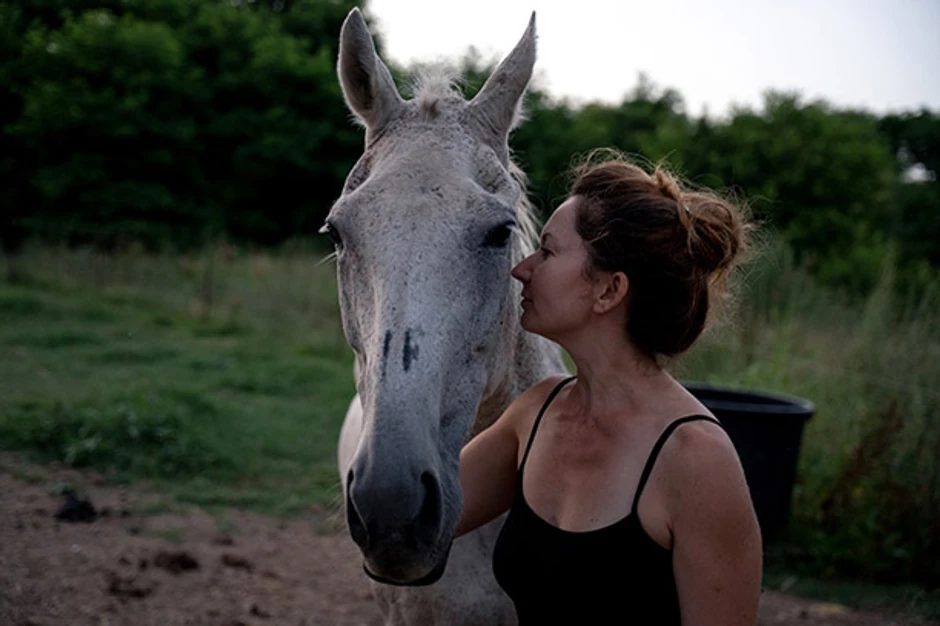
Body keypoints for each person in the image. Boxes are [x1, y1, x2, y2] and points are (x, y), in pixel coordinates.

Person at [456, 150, 763, 625]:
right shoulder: (536, 412)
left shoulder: (697, 458)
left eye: (548, 251)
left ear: (608, 291)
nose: (523, 269)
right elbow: (416, 524)